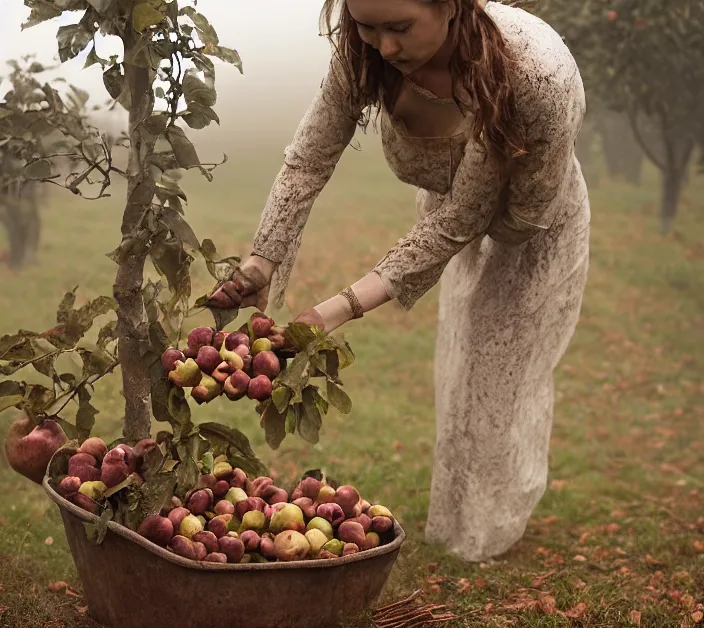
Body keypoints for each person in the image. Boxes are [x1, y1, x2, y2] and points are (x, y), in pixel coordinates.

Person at [208, 0, 590, 563]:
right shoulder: (365, 56)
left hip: (532, 231)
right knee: (462, 368)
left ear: (453, 7)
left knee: (498, 377)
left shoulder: (528, 75)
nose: (384, 47)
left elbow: (464, 223)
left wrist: (335, 310)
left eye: (400, 28)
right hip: (447, 217)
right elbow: (309, 159)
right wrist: (262, 260)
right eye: (367, 26)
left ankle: (485, 533)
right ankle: (456, 523)